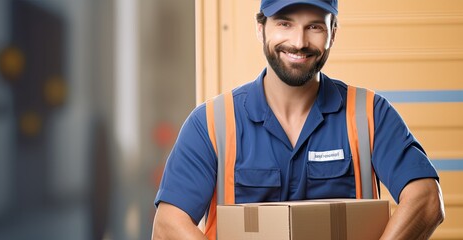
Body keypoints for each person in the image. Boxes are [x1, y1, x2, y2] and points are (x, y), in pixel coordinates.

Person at [152, 0, 445, 239]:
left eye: (314, 26)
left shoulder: (369, 113)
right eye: (285, 23)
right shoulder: (212, 122)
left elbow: (427, 200)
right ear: (260, 28)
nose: (299, 41)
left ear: (333, 33)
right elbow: (168, 225)